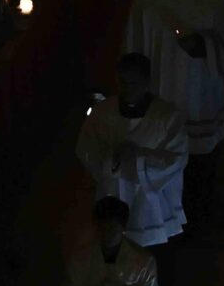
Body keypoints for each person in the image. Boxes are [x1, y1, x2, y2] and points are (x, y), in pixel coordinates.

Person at [122, 0, 224, 214]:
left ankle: (198, 213)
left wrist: (201, 45)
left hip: (199, 92)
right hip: (158, 88)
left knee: (199, 163)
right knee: (160, 159)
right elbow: (133, 38)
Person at [76, 53, 189, 248]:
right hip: (113, 197)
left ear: (146, 82)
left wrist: (139, 157)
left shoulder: (167, 117)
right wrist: (112, 158)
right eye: (123, 82)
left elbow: (177, 158)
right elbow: (86, 148)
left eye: (133, 83)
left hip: (150, 206)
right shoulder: (103, 112)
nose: (127, 89)